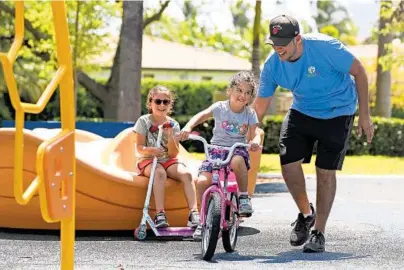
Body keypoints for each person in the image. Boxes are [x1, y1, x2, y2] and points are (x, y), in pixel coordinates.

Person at [252, 14, 374, 253]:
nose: (278, 48)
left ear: (298, 39)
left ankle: (319, 231)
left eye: (283, 43)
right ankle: (307, 214)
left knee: (325, 172)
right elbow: (259, 107)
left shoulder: (325, 47)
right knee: (288, 163)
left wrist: (365, 115)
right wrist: (246, 132)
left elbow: (359, 71)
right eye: (274, 43)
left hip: (338, 111)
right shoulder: (273, 64)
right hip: (303, 109)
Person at [180, 70, 262, 239]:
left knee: (238, 160)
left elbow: (256, 132)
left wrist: (255, 141)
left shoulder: (249, 114)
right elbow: (201, 115)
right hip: (216, 149)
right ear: (230, 90)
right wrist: (188, 127)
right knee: (203, 181)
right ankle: (201, 220)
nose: (243, 95)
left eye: (247, 93)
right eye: (239, 90)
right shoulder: (220, 108)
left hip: (236, 148)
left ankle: (244, 197)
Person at [133, 85, 200, 228]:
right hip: (147, 160)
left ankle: (194, 213)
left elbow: (173, 154)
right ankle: (160, 214)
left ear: (170, 105)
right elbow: (139, 148)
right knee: (159, 173)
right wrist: (151, 151)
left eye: (166, 102)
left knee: (187, 174)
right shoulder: (143, 121)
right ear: (150, 103)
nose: (162, 105)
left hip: (167, 159)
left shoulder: (173, 124)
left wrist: (170, 135)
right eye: (158, 101)